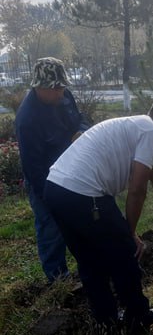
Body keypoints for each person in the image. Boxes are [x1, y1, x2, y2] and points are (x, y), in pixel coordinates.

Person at [43, 94, 153, 335]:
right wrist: (130, 233)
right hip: (85, 194)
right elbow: (137, 190)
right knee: (126, 254)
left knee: (89, 260)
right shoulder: (151, 131)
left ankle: (106, 323)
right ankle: (139, 319)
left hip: (56, 189)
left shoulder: (135, 125)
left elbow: (152, 173)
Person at [15, 57, 90, 283]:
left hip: (71, 169)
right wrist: (48, 195)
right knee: (51, 226)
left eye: (62, 87)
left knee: (81, 218)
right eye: (55, 88)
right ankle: (58, 279)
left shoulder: (64, 96)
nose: (60, 92)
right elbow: (33, 167)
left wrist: (82, 131)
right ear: (39, 87)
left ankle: (89, 264)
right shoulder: (27, 119)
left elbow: (79, 119)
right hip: (44, 177)